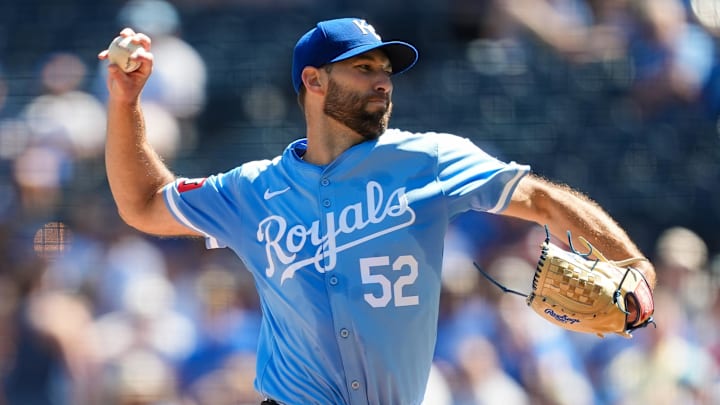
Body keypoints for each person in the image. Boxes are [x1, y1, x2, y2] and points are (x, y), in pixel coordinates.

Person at [98, 17, 656, 405]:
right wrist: (126, 104)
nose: (383, 80)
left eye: (385, 68)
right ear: (313, 81)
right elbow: (144, 203)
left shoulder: (430, 158)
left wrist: (633, 263)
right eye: (362, 68)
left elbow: (543, 199)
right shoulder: (254, 189)